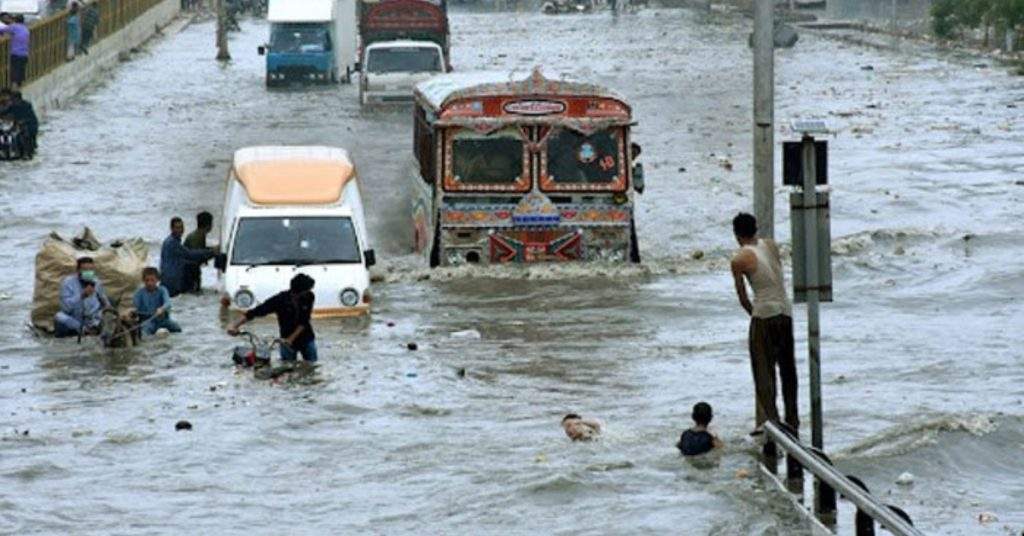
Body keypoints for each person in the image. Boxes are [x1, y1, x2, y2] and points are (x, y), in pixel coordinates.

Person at [730, 212, 798, 436]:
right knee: (788, 368)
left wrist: (754, 314)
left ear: (737, 234)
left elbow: (742, 297)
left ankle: (773, 423)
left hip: (764, 314)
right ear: (756, 229)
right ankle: (793, 419)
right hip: (785, 311)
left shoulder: (739, 259)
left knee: (763, 372)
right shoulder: (771, 245)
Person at [227, 274, 318, 362]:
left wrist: (290, 339)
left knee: (312, 365)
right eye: (307, 290)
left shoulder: (309, 297)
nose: (309, 292)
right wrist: (234, 325)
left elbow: (304, 321)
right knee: (287, 368)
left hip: (306, 339)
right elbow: (255, 312)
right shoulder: (280, 300)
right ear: (299, 292)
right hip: (285, 339)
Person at [54, 257, 110, 338]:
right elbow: (65, 308)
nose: (88, 272)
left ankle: (95, 328)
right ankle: (83, 330)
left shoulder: (96, 282)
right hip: (76, 319)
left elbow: (104, 300)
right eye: (85, 270)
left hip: (93, 318)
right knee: (59, 316)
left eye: (91, 269)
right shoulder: (68, 283)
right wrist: (81, 296)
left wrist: (107, 307)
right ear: (78, 271)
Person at [160, 216, 215, 297]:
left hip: (169, 280)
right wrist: (212, 252)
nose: (180, 230)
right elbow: (189, 254)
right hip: (172, 283)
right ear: (171, 229)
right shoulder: (172, 243)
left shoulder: (171, 241)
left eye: (181, 227)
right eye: (177, 228)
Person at [132, 267, 181, 336]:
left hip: (163, 321)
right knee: (144, 333)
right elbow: (135, 306)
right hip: (148, 322)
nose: (149, 283)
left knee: (177, 328)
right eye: (147, 280)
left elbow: (168, 303)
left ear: (157, 280)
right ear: (143, 281)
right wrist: (132, 311)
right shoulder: (139, 293)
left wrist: (162, 309)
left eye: (152, 280)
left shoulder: (163, 290)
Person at [0, 90, 38, 159]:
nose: (11, 101)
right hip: (18, 124)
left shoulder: (27, 105)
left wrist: (23, 121)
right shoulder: (13, 106)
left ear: (18, 99)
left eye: (13, 99)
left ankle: (27, 151)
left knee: (27, 133)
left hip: (30, 124)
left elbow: (30, 117)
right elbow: (4, 112)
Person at [183, 211, 213, 293]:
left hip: (190, 271)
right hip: (190, 273)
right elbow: (196, 255)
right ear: (209, 225)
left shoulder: (199, 235)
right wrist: (213, 252)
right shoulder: (196, 237)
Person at [0, 13, 30, 88]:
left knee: (14, 76)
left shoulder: (14, 27)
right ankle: (18, 89)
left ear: (16, 20)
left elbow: (2, 30)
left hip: (16, 54)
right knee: (20, 75)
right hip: (24, 54)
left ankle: (14, 91)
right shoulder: (25, 28)